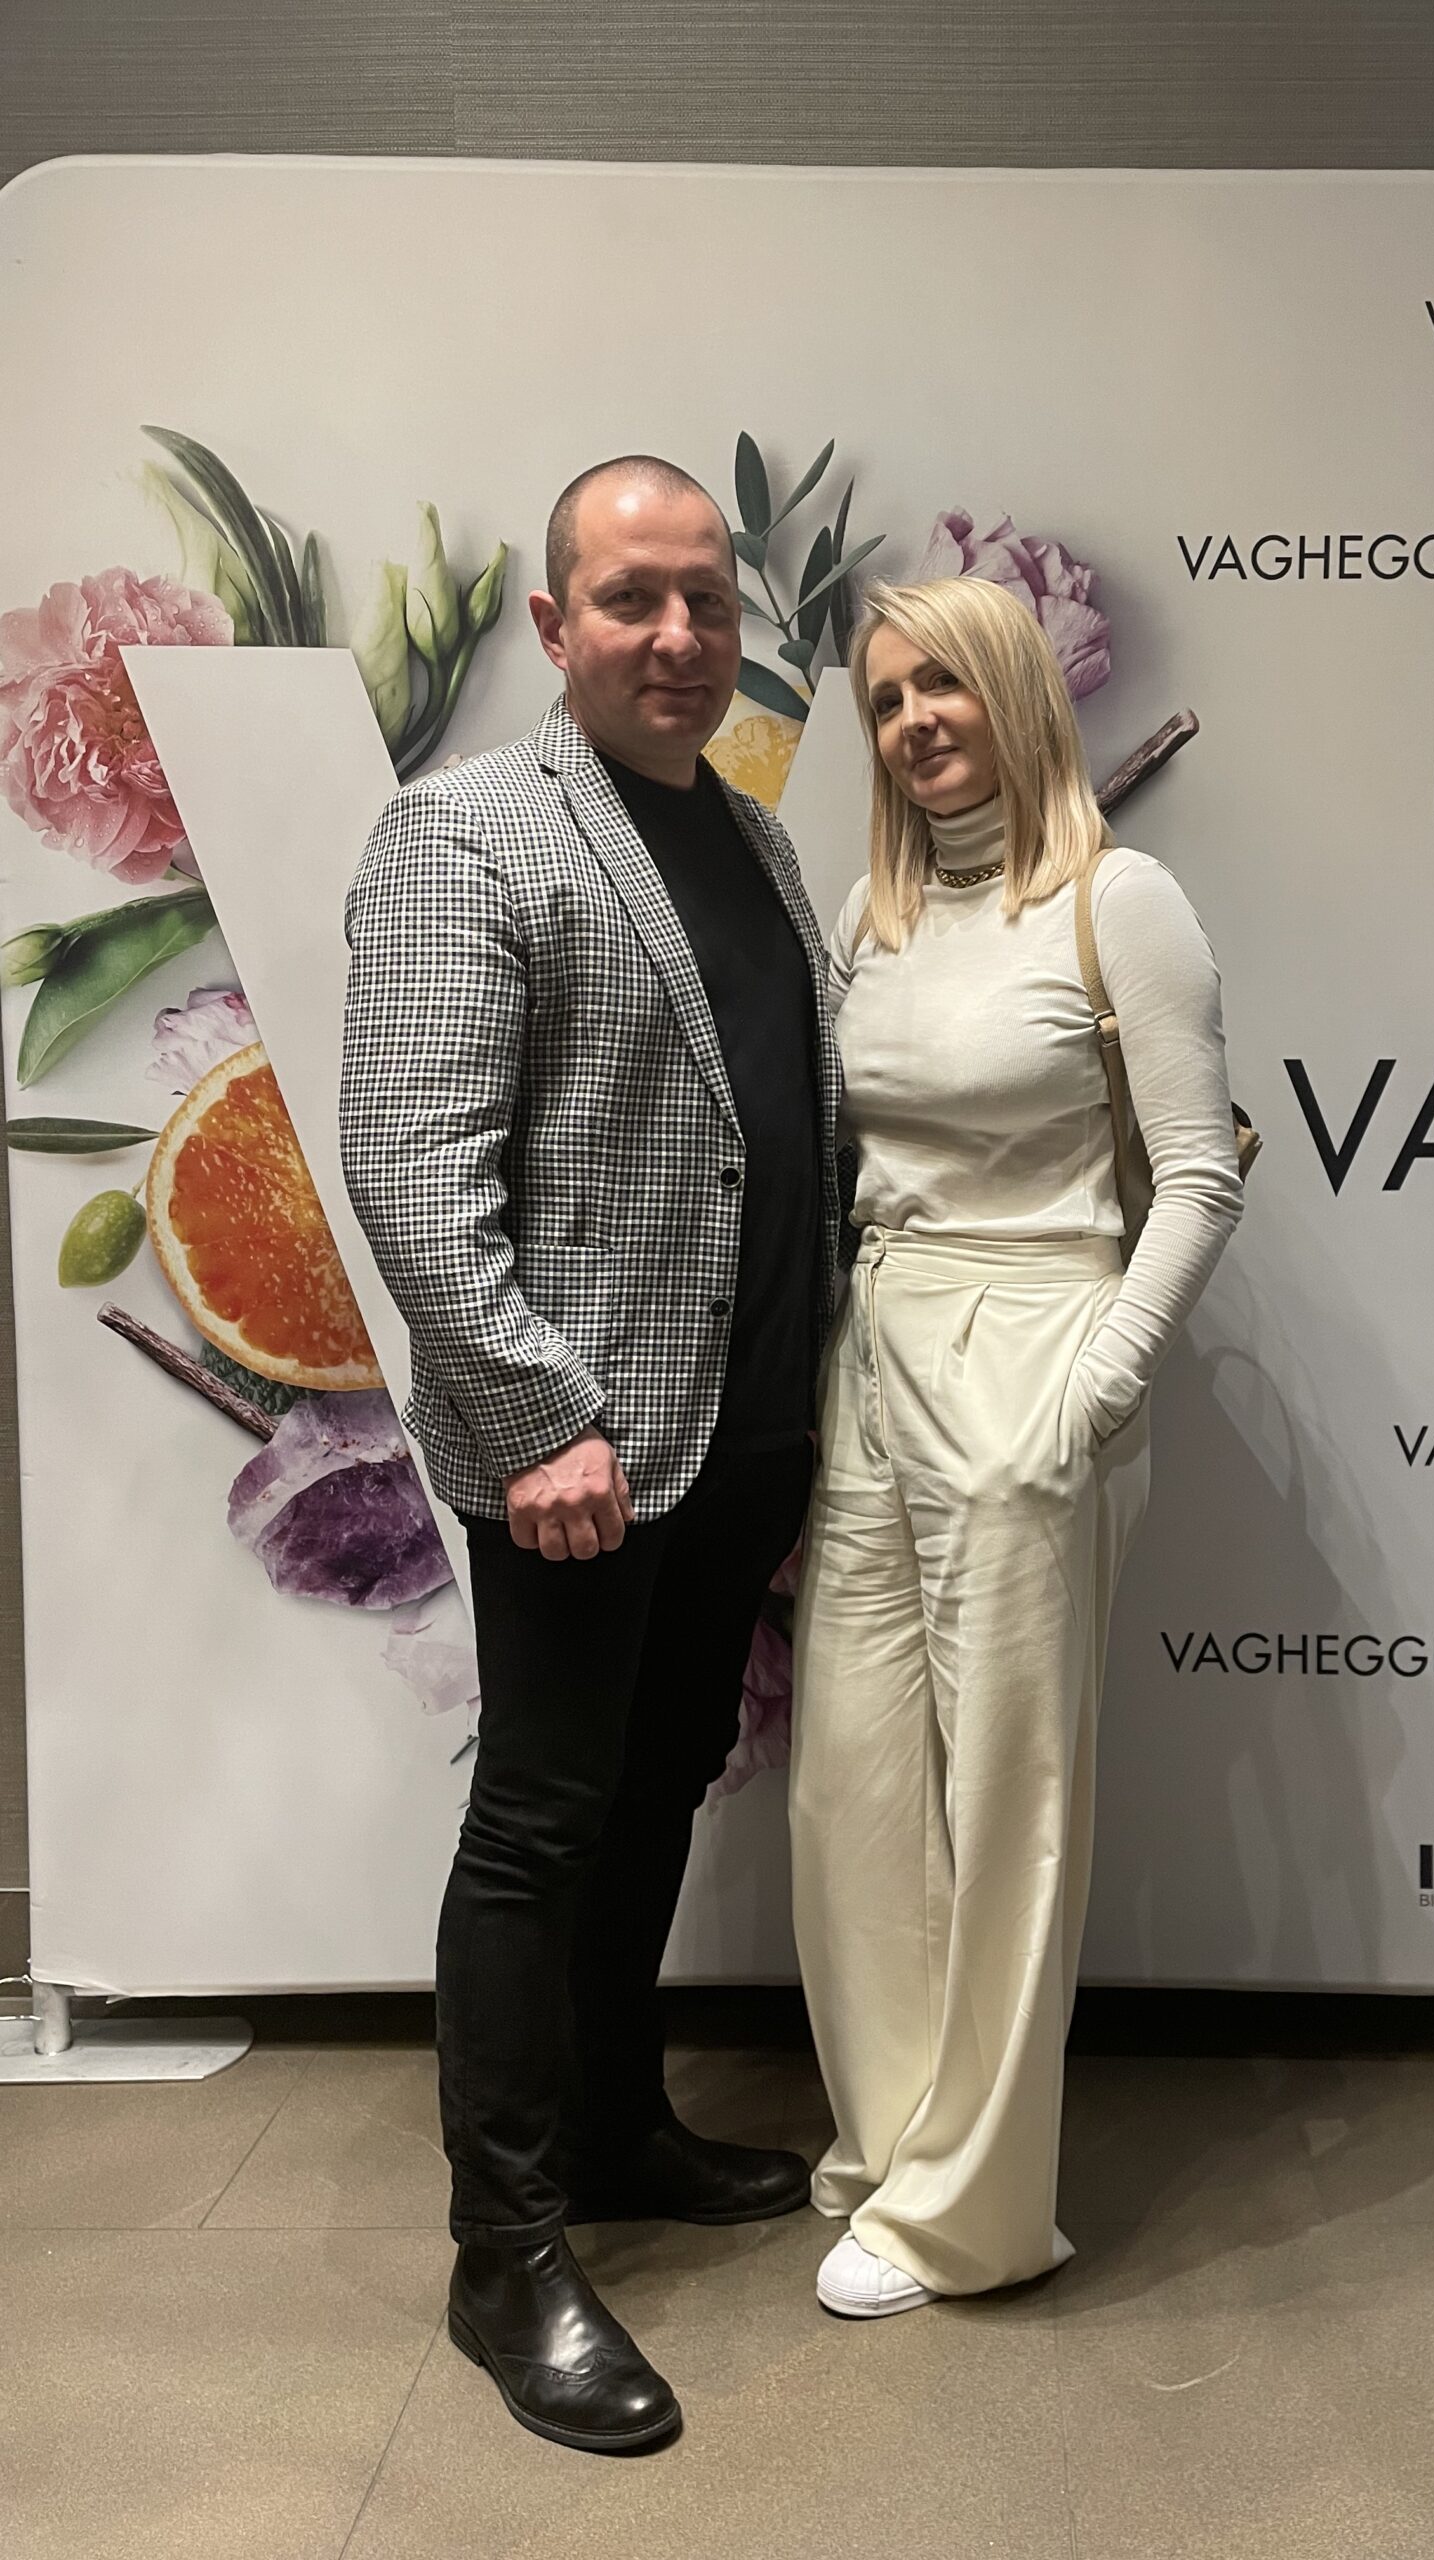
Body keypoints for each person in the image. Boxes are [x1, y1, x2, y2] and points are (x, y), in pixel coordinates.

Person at [340, 455, 841, 2452]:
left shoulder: (755, 837)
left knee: (655, 1793)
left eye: (709, 597)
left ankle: (621, 2122)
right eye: (634, 597)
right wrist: (538, 1415)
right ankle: (507, 2248)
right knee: (543, 1827)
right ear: (555, 624)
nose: (680, 634)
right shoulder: (466, 831)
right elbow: (411, 1168)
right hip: (579, 1455)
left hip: (743, 1434)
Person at [789, 576, 1243, 2318]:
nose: (915, 722)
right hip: (874, 1348)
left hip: (1036, 1342)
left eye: (945, 685)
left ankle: (974, 2217)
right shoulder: (873, 909)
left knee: (1008, 1803)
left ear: (1015, 692)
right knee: (852, 1788)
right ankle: (892, 2149)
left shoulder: (1123, 902)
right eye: (886, 699)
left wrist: (1097, 1390)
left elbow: (1196, 1179)